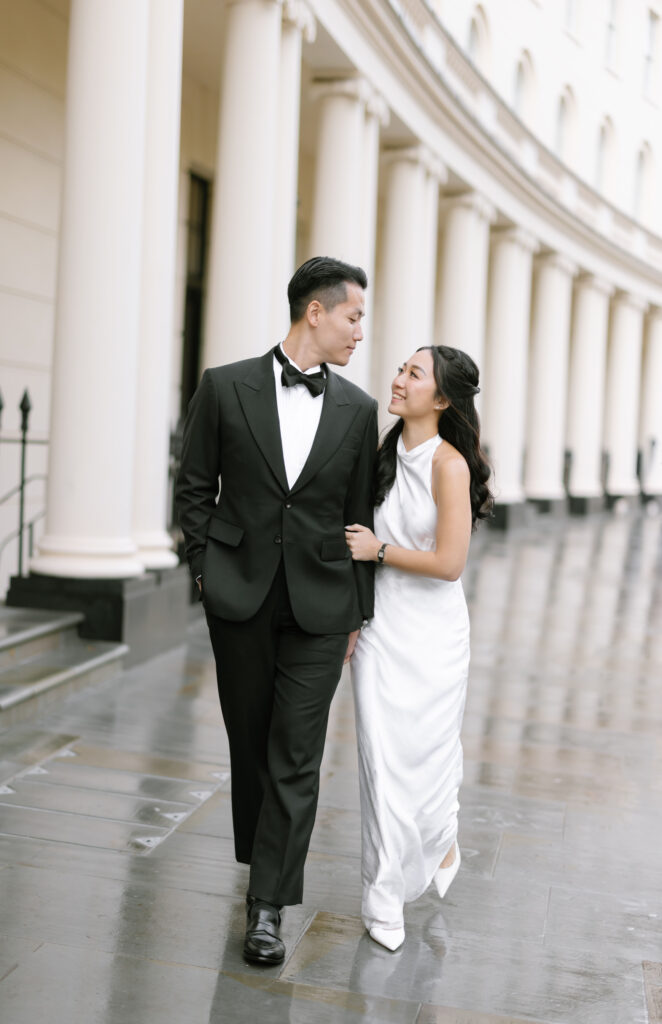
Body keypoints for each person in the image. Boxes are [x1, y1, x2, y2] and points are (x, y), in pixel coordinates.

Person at [176, 256, 378, 965]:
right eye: (354, 317)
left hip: (323, 606)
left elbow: (360, 516)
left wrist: (359, 611)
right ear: (314, 313)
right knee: (252, 743)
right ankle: (261, 861)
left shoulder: (359, 408)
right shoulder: (225, 387)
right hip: (240, 595)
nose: (360, 332)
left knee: (298, 753)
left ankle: (268, 907)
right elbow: (194, 486)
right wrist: (204, 570)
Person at [345, 344, 492, 951]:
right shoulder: (382, 452)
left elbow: (450, 563)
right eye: (402, 369)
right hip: (381, 626)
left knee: (424, 765)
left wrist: (377, 549)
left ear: (442, 398)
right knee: (380, 762)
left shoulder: (449, 464)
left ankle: (438, 836)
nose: (399, 379)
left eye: (414, 374)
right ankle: (383, 897)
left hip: (433, 635)